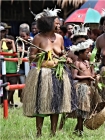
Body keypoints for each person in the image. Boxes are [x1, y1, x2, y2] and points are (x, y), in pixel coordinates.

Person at [22, 8, 77, 137]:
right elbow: (31, 58)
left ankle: (53, 132)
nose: (59, 25)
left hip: (57, 73)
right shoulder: (38, 38)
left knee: (56, 102)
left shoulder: (60, 38)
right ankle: (39, 133)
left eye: (59, 23)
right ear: (48, 23)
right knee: (41, 103)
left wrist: (66, 58)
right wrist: (43, 56)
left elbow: (62, 53)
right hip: (43, 73)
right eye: (56, 23)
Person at [71, 39, 101, 136]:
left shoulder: (88, 63)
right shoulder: (77, 63)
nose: (89, 54)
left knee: (87, 110)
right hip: (81, 87)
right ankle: (80, 131)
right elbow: (74, 76)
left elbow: (92, 74)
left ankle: (77, 129)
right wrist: (87, 77)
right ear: (80, 53)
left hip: (89, 88)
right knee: (81, 111)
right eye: (87, 52)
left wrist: (96, 76)